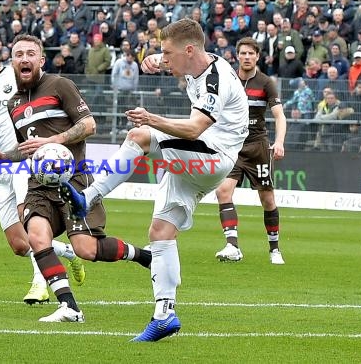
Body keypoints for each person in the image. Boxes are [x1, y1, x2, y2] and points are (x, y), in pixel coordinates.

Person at [59, 19, 249, 341]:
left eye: (167, 53)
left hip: (213, 155)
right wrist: (155, 60)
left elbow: (193, 129)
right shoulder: (195, 60)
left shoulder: (214, 81)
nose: (165, 58)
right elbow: (174, 60)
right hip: (200, 156)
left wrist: (151, 119)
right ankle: (164, 314)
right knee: (160, 232)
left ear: (189, 50)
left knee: (140, 136)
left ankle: (87, 198)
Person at [0, 34, 152, 323]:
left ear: (41, 60)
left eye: (30, 54)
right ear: (11, 61)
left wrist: (54, 141)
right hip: (38, 185)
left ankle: (145, 257)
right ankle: (69, 306)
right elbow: (30, 148)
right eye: (18, 54)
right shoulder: (13, 104)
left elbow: (89, 124)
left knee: (87, 249)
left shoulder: (60, 85)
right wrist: (4, 156)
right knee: (36, 236)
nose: (24, 58)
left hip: (74, 181)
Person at [0, 31, 86, 305]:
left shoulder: (15, 77)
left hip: (24, 161)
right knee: (19, 244)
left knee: (30, 222)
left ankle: (41, 284)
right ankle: (69, 253)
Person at [213, 37, 286, 265]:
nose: (246, 57)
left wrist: (280, 141)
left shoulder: (265, 82)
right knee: (223, 191)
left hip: (258, 147)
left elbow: (279, 116)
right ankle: (232, 246)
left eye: (250, 54)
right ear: (236, 56)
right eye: (242, 53)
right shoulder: (227, 80)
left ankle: (274, 249)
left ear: (257, 56)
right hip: (232, 146)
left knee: (267, 199)